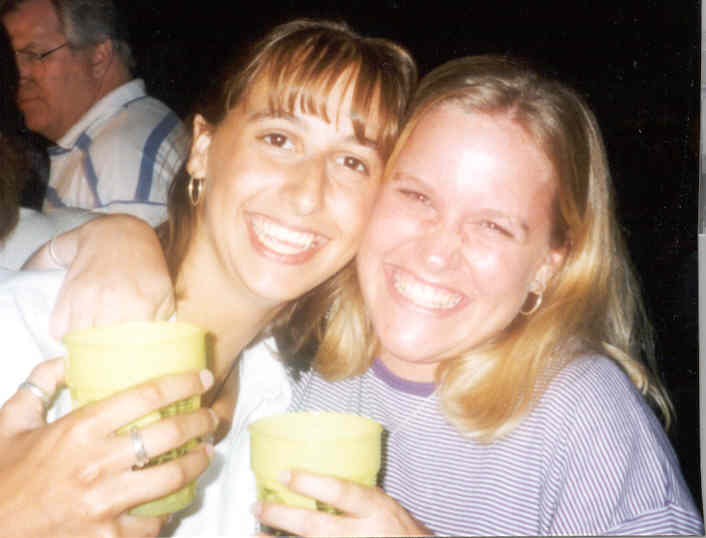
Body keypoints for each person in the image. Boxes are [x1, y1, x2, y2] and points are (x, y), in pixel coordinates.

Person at [34, 56, 703, 535]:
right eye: (417, 196)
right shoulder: (312, 370)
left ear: (549, 265)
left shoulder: (580, 410)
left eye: (494, 226)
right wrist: (111, 234)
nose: (438, 251)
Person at [0, 18, 416, 537]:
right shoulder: (30, 327)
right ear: (202, 149)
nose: (308, 194)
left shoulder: (280, 410)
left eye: (352, 162)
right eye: (279, 139)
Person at [1, 0, 188, 224]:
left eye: (35, 55)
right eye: (13, 60)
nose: (20, 75)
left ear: (98, 56)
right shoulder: (136, 125)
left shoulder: (117, 161)